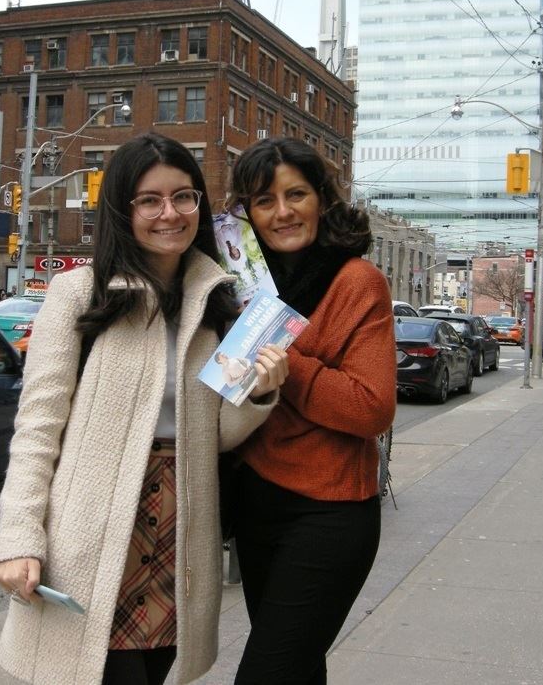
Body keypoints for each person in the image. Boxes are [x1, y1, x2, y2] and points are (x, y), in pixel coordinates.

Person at [0, 133, 289, 685]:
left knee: (152, 672)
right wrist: (18, 537)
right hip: (93, 526)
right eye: (149, 200)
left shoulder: (218, 302)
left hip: (182, 526)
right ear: (122, 209)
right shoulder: (80, 292)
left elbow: (215, 435)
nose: (169, 214)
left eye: (183, 197)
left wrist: (258, 393)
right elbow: (38, 427)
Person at [229, 137, 397, 684]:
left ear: (321, 198)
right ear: (247, 213)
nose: (282, 212)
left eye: (296, 194)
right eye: (264, 201)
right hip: (256, 502)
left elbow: (372, 407)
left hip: (329, 513)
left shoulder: (356, 282)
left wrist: (286, 363)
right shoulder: (239, 286)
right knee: (298, 671)